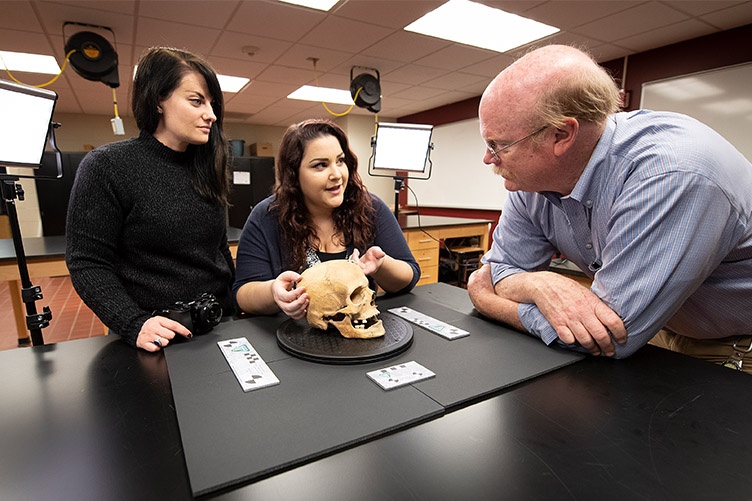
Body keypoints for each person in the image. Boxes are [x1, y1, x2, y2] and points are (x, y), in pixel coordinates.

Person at [467, 44, 752, 372]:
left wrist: (485, 299)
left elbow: (610, 335)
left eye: (498, 144)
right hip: (661, 330)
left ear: (562, 134)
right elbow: (503, 266)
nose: (489, 158)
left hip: (738, 348)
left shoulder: (671, 173)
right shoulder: (529, 182)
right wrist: (537, 283)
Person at [66, 47, 235, 352]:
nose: (210, 114)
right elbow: (87, 262)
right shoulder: (108, 166)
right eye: (196, 101)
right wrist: (133, 323)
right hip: (155, 337)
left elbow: (217, 249)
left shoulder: (208, 165)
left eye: (212, 104)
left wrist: (235, 301)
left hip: (219, 327)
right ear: (158, 99)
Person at [233, 118, 420, 318]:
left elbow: (409, 276)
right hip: (293, 337)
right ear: (294, 174)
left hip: (361, 337)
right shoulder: (266, 216)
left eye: (340, 161)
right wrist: (274, 292)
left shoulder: (370, 208)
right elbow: (243, 293)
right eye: (320, 165)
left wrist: (381, 266)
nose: (337, 174)